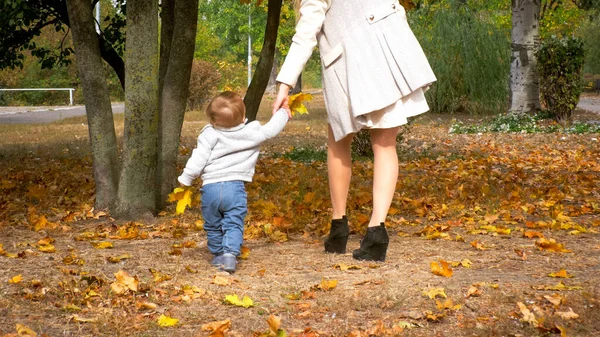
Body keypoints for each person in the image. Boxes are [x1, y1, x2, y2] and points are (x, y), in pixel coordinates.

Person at [272, 0, 436, 262]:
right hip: (388, 48)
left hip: (350, 61)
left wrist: (284, 84)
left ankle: (339, 226)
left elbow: (306, 34)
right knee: (385, 144)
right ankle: (376, 231)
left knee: (338, 140)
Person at [179, 91, 289, 273]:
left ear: (213, 120)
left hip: (211, 189)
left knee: (212, 224)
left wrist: (187, 178)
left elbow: (198, 157)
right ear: (243, 117)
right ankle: (230, 255)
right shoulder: (251, 132)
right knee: (233, 222)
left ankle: (218, 254)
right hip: (235, 189)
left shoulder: (209, 134)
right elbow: (271, 130)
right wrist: (283, 113)